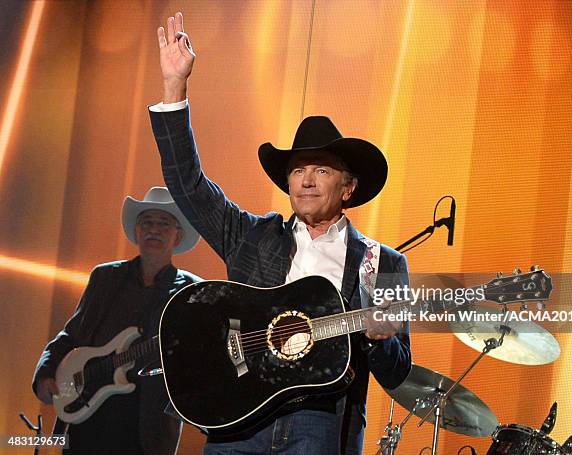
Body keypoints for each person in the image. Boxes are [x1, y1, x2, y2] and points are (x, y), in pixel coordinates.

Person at [149, 12, 412, 455]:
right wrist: (175, 88)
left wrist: (381, 339)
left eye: (321, 170)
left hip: (321, 424)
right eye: (297, 171)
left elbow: (398, 372)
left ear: (348, 188)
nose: (306, 180)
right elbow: (188, 186)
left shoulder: (381, 263)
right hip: (239, 417)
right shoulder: (251, 237)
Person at [32, 186, 202, 455]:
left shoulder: (192, 292)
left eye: (163, 224)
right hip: (88, 419)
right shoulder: (105, 277)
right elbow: (70, 335)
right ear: (136, 232)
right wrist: (45, 373)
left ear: (178, 235)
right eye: (147, 222)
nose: (154, 230)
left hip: (147, 430)